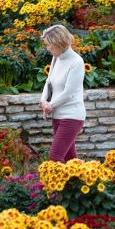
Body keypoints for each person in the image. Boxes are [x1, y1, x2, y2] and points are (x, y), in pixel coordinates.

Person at [39, 24, 86, 162]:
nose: (48, 48)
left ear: (59, 43)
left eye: (49, 45)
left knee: (55, 157)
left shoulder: (77, 62)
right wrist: (43, 101)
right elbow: (48, 82)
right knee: (70, 160)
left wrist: (50, 105)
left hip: (72, 116)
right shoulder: (56, 58)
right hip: (57, 115)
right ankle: (81, 183)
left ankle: (50, 184)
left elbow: (69, 93)